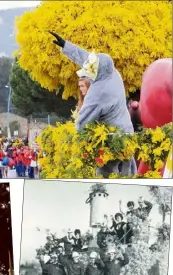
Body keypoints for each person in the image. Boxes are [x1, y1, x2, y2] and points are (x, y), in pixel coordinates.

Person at [49, 31, 135, 178]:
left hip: (111, 138)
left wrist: (76, 140)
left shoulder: (98, 92)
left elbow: (82, 122)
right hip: (128, 133)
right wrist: (66, 46)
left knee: (106, 175)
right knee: (128, 172)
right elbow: (88, 60)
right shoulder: (113, 73)